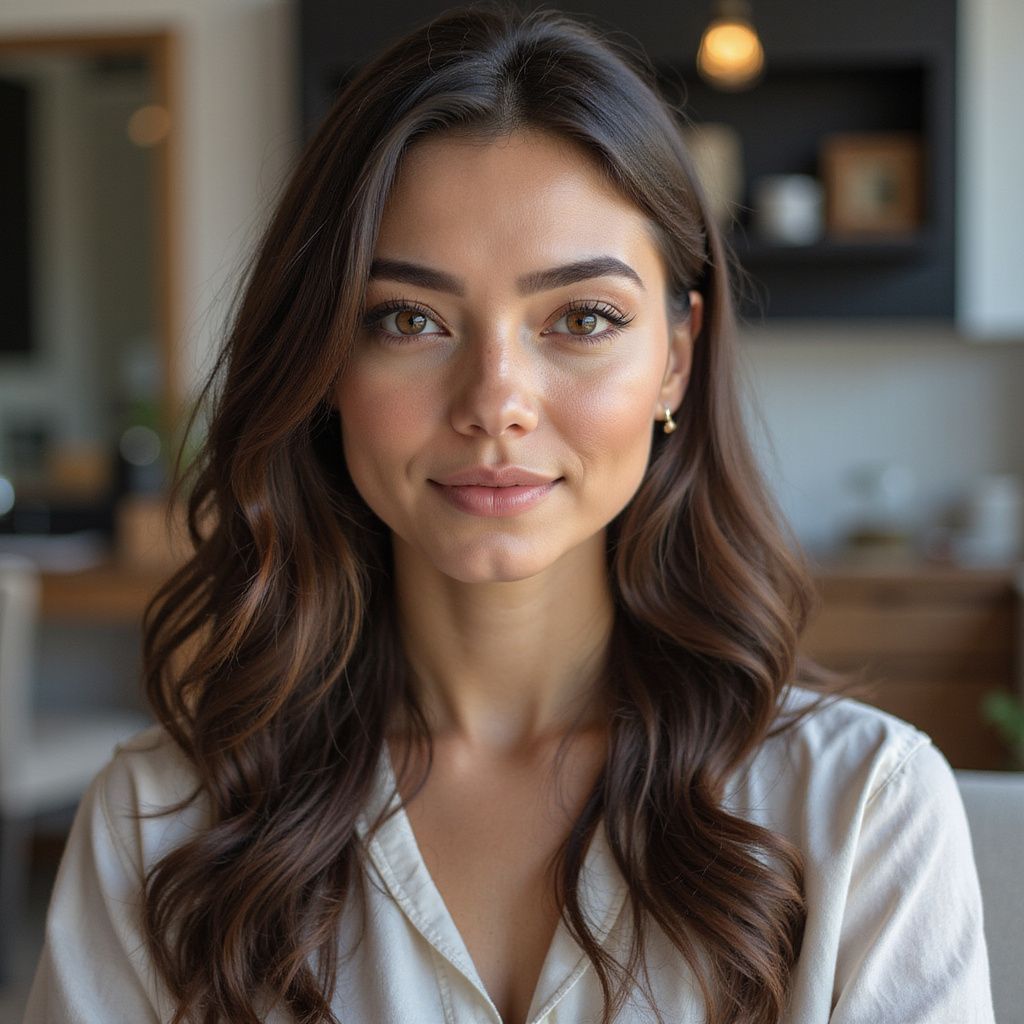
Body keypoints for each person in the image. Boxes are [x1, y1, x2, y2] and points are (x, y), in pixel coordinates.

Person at [24, 5, 994, 1023]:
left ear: (675, 355)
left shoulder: (861, 806)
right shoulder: (160, 822)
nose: (495, 399)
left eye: (582, 318)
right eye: (408, 319)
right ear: (325, 365)